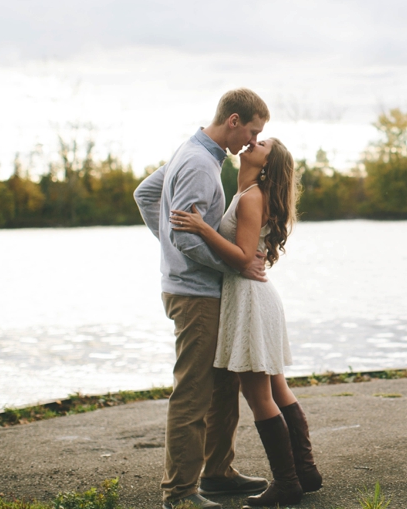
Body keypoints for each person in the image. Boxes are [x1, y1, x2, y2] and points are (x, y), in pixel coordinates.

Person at [134, 88, 271, 509]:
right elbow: (186, 238)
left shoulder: (195, 153)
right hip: (195, 295)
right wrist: (236, 265)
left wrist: (172, 248)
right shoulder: (198, 163)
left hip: (200, 288)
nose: (251, 141)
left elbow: (145, 194)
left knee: (223, 384)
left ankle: (216, 474)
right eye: (251, 131)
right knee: (193, 393)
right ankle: (179, 494)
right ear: (233, 120)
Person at [170, 137, 321, 509]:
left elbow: (240, 256)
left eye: (262, 143)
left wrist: (203, 229)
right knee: (277, 387)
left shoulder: (253, 197)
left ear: (268, 163)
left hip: (250, 301)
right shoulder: (248, 192)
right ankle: (305, 471)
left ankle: (287, 484)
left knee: (259, 395)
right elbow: (246, 254)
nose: (253, 143)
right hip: (254, 298)